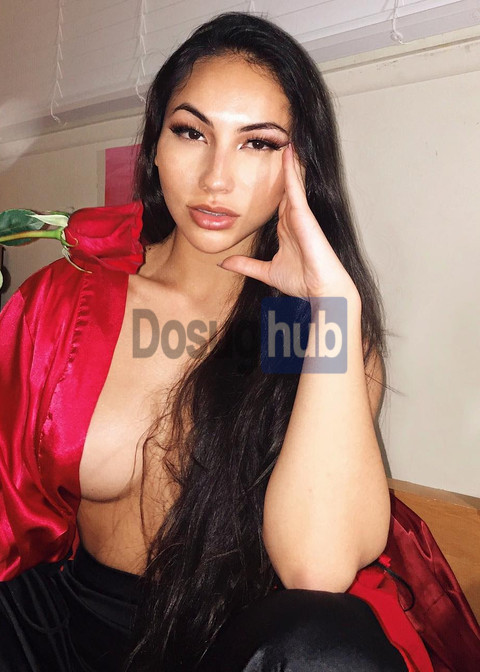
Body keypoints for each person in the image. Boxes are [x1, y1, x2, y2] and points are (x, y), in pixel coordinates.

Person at [0, 11, 478, 672]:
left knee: (324, 642)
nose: (216, 178)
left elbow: (316, 568)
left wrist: (331, 308)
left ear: (299, 166)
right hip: (61, 633)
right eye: (191, 132)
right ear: (155, 145)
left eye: (257, 144)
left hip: (228, 647)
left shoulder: (294, 326)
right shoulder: (73, 300)